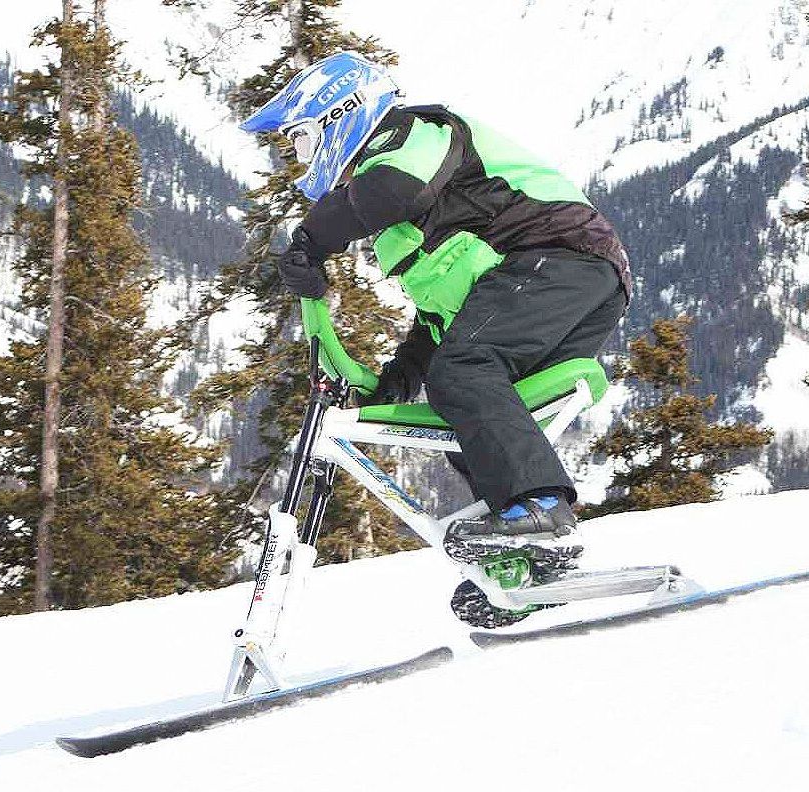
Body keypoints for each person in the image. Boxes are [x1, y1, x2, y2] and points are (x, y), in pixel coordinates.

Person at [239, 51, 631, 565]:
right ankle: (530, 561)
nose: (302, 156)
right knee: (465, 408)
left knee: (465, 372)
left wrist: (312, 240)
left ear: (342, 112)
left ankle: (537, 508)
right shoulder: (402, 225)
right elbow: (443, 319)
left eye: (303, 138)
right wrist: (394, 382)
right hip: (560, 277)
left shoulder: (412, 132)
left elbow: (390, 189)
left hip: (557, 255)